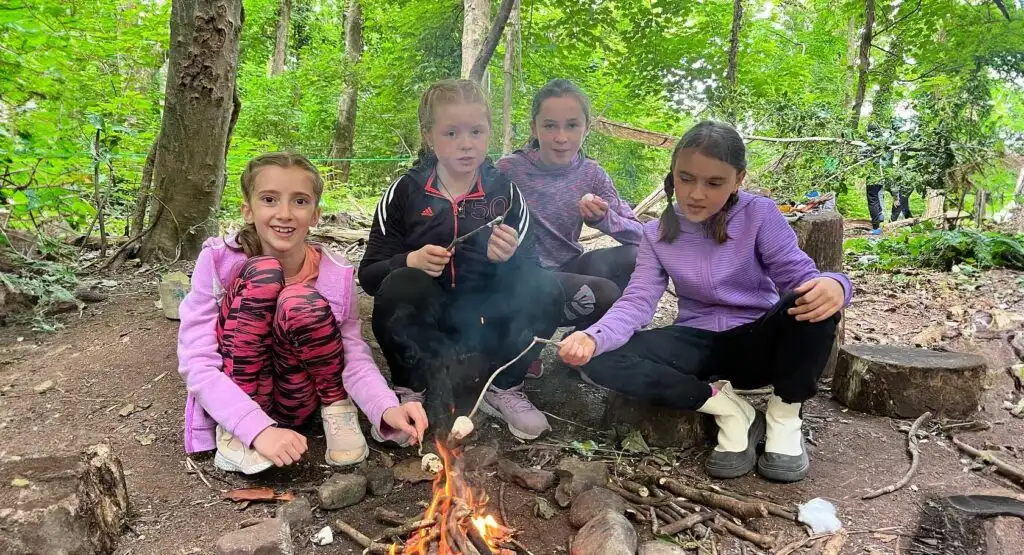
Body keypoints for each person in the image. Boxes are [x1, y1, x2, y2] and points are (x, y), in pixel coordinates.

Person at [558, 121, 851, 483]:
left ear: (737, 180)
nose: (696, 194)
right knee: (602, 357)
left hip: (756, 344)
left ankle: (784, 417)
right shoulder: (657, 233)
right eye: (686, 178)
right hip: (697, 349)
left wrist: (836, 285)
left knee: (810, 300)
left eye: (714, 183)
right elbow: (637, 301)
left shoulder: (759, 214)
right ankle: (729, 409)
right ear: (673, 174)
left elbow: (799, 275)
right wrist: (593, 337)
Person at [177, 152, 428, 475]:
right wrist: (256, 428)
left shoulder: (335, 272)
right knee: (264, 272)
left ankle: (337, 409)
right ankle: (237, 435)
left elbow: (351, 352)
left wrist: (387, 408)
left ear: (315, 215)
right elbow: (197, 360)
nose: (284, 214)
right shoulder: (218, 261)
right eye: (269, 199)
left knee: (299, 300)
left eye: (299, 201)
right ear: (248, 211)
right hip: (240, 389)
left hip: (298, 394)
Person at [359, 80, 562, 441]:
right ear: (428, 135)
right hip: (428, 325)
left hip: (483, 324)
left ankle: (503, 385)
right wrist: (410, 260)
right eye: (451, 132)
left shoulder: (506, 193)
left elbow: (534, 277)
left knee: (547, 287)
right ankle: (410, 390)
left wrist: (511, 259)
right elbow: (371, 277)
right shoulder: (405, 192)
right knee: (402, 282)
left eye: (476, 131)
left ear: (488, 132)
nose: (466, 143)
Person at [496, 79, 642, 340]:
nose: (561, 138)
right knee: (605, 293)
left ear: (586, 128)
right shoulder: (509, 170)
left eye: (572, 125)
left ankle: (583, 339)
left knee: (634, 257)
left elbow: (641, 235)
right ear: (534, 128)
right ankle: (523, 337)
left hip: (571, 271)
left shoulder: (592, 174)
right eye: (550, 126)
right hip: (523, 279)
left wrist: (603, 219)